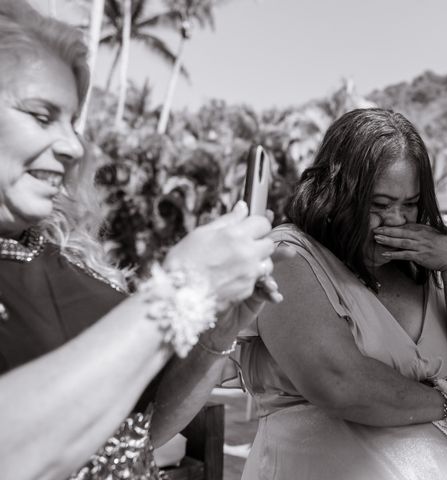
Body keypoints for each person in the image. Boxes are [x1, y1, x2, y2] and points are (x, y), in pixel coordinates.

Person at [0, 2, 286, 479]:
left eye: (73, 121)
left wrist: (217, 329)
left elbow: (139, 433)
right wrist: (179, 288)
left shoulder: (67, 257)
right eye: (42, 115)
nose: (73, 146)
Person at [238, 108, 447, 479]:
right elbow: (343, 385)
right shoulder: (287, 258)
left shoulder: (425, 267)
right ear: (334, 195)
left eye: (410, 204)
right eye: (379, 205)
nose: (396, 220)